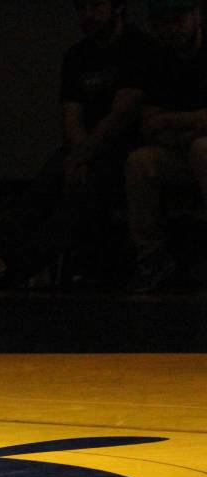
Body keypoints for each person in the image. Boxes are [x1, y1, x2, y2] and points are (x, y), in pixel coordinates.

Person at [0, 0, 150, 291]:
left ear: (117, 7)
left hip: (122, 150)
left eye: (95, 7)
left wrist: (83, 157)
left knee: (78, 202)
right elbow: (71, 116)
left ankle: (13, 270)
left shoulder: (137, 47)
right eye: (82, 8)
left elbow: (122, 115)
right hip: (82, 151)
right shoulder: (77, 56)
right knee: (44, 186)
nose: (87, 15)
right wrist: (78, 157)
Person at [125, 0, 207, 292]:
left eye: (178, 18)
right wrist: (193, 124)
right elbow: (149, 123)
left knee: (202, 149)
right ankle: (152, 258)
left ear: (196, 14)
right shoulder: (159, 61)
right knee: (140, 162)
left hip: (198, 149)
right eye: (163, 21)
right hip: (180, 149)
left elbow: (164, 120)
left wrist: (172, 120)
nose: (171, 28)